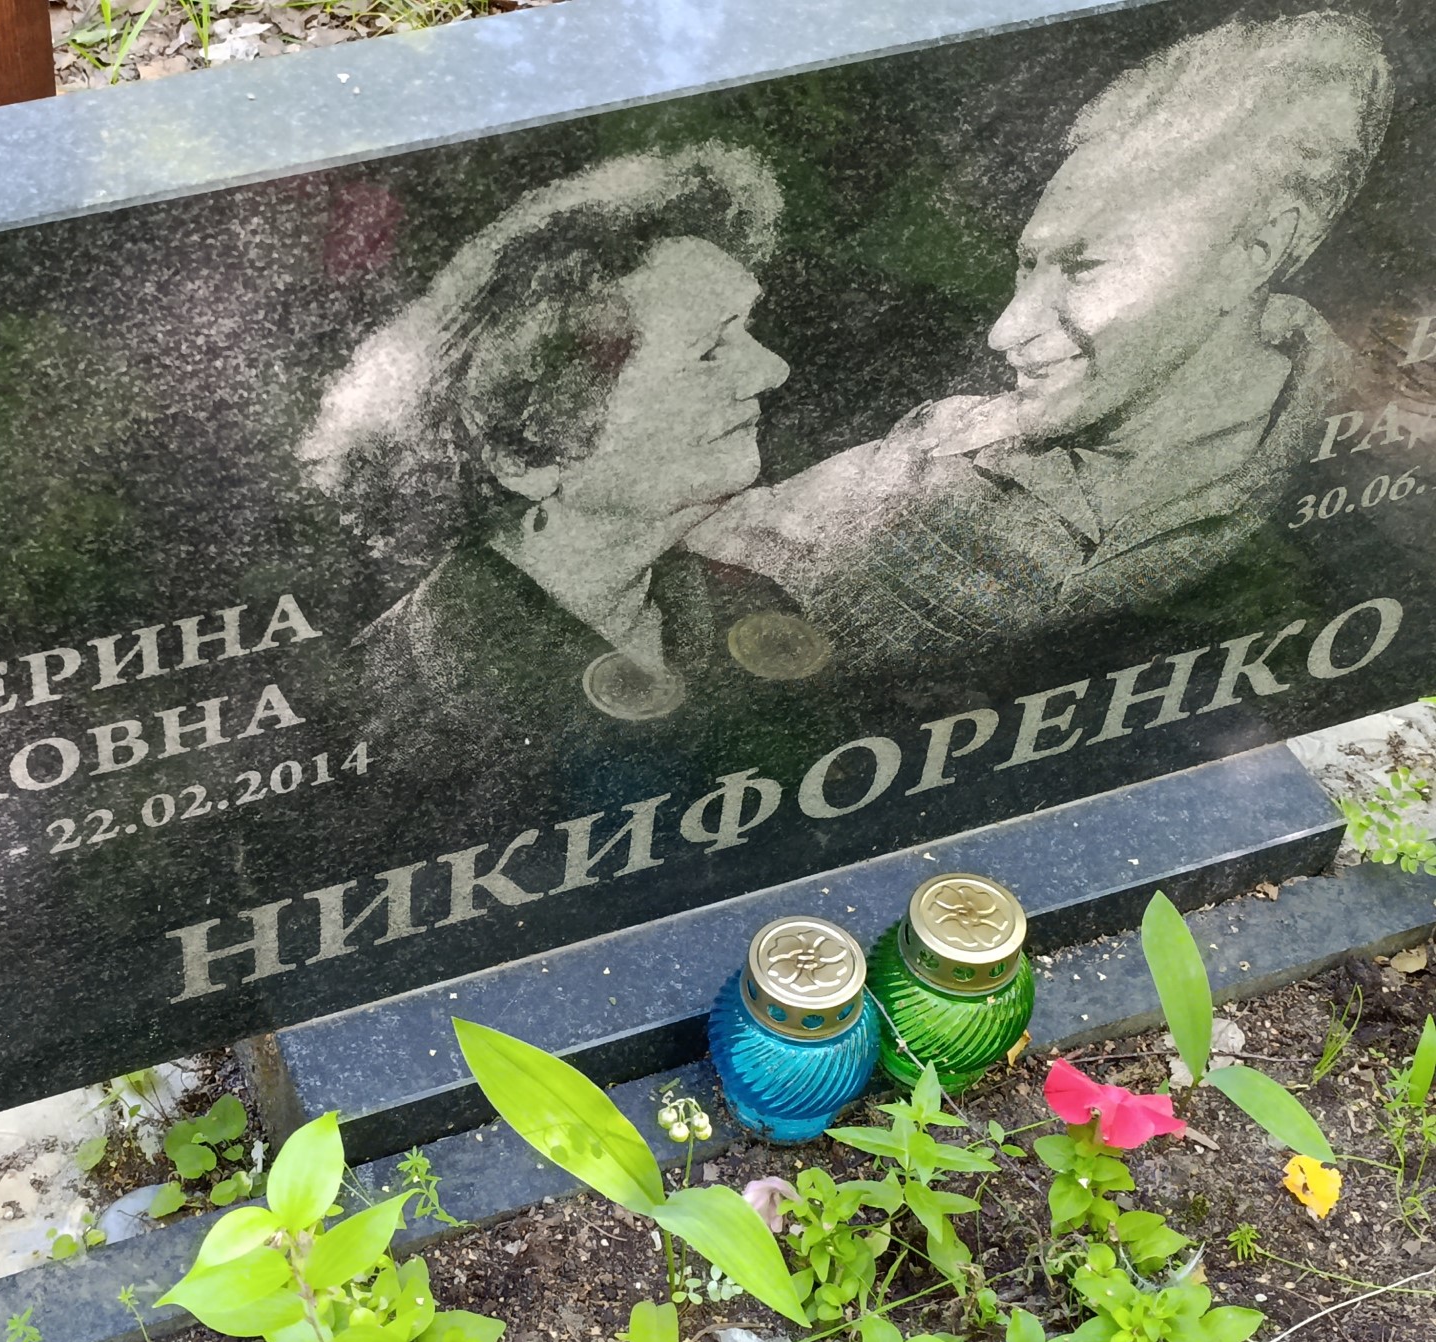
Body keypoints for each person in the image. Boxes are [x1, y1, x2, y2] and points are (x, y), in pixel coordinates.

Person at [688, 11, 1394, 680]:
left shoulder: (1374, 442)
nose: (1005, 331)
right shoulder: (935, 451)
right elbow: (676, 582)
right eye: (1029, 266)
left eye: (1083, 268)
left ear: (1254, 251)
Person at [299, 145, 803, 776]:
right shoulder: (393, 711)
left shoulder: (749, 605)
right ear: (528, 454)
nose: (772, 369)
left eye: (747, 329)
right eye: (708, 351)